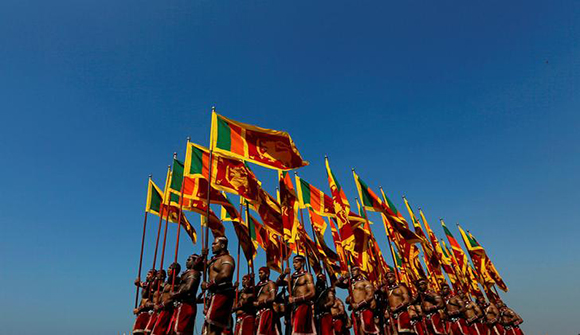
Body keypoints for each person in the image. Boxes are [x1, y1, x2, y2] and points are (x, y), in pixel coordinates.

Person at [202, 236, 236, 335]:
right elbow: (199, 268)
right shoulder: (213, 260)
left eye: (214, 244)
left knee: (214, 328)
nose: (212, 246)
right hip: (213, 295)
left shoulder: (227, 258)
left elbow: (225, 274)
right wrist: (202, 256)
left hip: (222, 294)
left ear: (222, 245)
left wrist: (208, 284)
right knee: (209, 327)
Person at [279, 255, 316, 335]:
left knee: (299, 330)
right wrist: (284, 274)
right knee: (293, 329)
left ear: (302, 263)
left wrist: (296, 299)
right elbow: (278, 283)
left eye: (296, 262)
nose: (294, 264)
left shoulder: (307, 275)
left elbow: (312, 293)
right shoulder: (292, 277)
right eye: (293, 263)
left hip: (303, 305)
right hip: (294, 306)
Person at [337, 266, 379, 335]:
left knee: (367, 331)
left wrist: (358, 305)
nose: (352, 272)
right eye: (352, 270)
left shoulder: (366, 282)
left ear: (359, 271)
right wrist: (343, 277)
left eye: (354, 270)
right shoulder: (350, 283)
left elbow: (370, 296)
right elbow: (337, 284)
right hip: (355, 312)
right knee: (358, 332)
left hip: (365, 310)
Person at [170, 254, 204, 335]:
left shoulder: (193, 273)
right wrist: (174, 272)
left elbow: (188, 287)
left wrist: (176, 294)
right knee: (174, 330)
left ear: (195, 261)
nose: (187, 261)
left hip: (187, 305)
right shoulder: (186, 273)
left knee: (181, 331)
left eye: (189, 259)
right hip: (181, 306)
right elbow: (171, 281)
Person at [152, 262, 181, 335]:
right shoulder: (166, 283)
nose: (168, 269)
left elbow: (172, 297)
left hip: (168, 309)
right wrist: (156, 279)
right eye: (168, 267)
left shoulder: (176, 281)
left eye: (170, 268)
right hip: (162, 310)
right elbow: (154, 287)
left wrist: (161, 305)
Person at [384, 270, 413, 335]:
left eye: (390, 277)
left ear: (395, 277)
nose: (389, 279)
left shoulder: (401, 287)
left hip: (402, 313)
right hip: (392, 316)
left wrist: (397, 308)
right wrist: (387, 311)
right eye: (387, 278)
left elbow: (407, 301)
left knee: (405, 333)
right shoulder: (386, 290)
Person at [254, 267, 279, 335]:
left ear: (267, 274)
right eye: (259, 273)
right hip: (258, 313)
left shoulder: (270, 284)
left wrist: (260, 303)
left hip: (266, 312)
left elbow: (273, 298)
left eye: (261, 273)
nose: (259, 275)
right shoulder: (258, 286)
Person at [133, 269, 156, 334]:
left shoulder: (153, 287)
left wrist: (138, 309)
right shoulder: (146, 284)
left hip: (147, 310)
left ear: (153, 276)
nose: (146, 276)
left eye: (149, 274)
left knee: (140, 331)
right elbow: (137, 283)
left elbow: (147, 302)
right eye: (147, 274)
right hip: (142, 309)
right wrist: (137, 281)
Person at [144, 269, 166, 334]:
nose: (156, 276)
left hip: (161, 311)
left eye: (158, 275)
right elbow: (145, 294)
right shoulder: (153, 286)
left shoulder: (165, 285)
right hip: (153, 311)